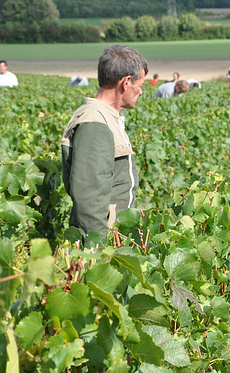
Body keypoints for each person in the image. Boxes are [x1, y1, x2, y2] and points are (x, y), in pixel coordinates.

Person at [60, 44, 148, 237]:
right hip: (103, 243)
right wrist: (97, 251)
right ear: (126, 82)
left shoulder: (104, 118)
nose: (141, 92)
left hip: (113, 236)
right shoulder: (94, 123)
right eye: (140, 86)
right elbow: (89, 198)